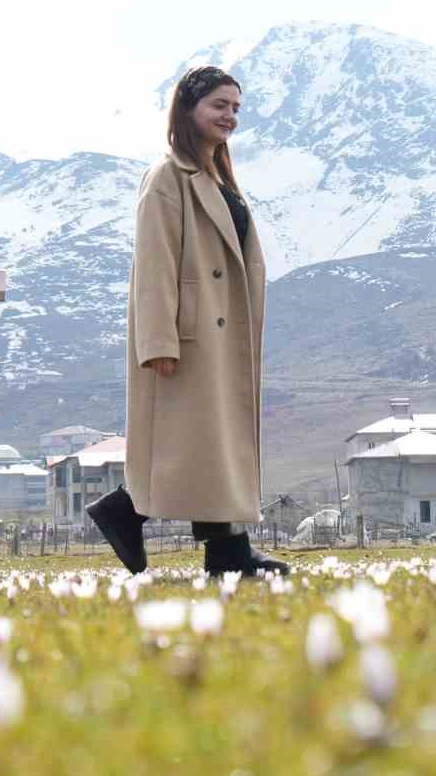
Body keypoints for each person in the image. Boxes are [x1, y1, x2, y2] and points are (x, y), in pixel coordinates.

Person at [86, 65, 288, 577]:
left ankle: (222, 547)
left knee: (212, 446)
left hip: (221, 335)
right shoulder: (166, 178)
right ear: (188, 108)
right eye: (219, 105)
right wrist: (158, 339)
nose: (230, 116)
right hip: (190, 335)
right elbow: (152, 264)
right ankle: (129, 511)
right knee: (189, 447)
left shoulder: (220, 177)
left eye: (236, 108)